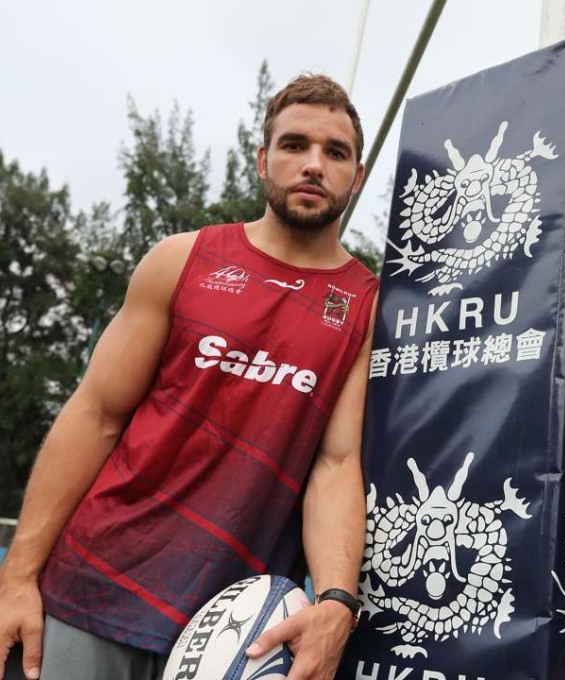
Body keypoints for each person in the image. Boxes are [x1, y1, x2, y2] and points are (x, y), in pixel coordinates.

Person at [0, 74, 378, 680]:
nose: (314, 165)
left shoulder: (365, 306)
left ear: (356, 176)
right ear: (262, 160)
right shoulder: (182, 259)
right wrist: (17, 576)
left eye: (335, 153)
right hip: (90, 588)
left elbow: (336, 464)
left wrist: (336, 600)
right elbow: (96, 415)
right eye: (294, 145)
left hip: (230, 631)